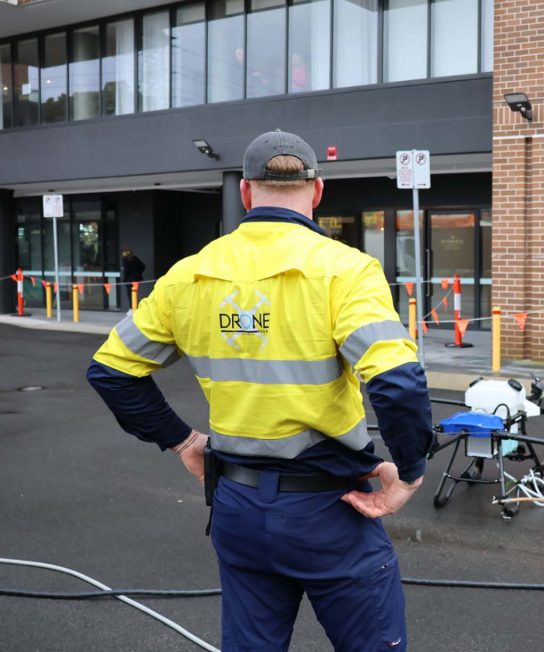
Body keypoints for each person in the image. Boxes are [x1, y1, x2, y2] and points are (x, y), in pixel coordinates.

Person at [87, 130, 433, 651]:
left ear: (246, 193)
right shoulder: (345, 269)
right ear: (316, 192)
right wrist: (408, 473)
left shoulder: (188, 276)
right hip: (330, 509)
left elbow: (111, 371)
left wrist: (182, 442)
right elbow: (397, 381)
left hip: (238, 507)